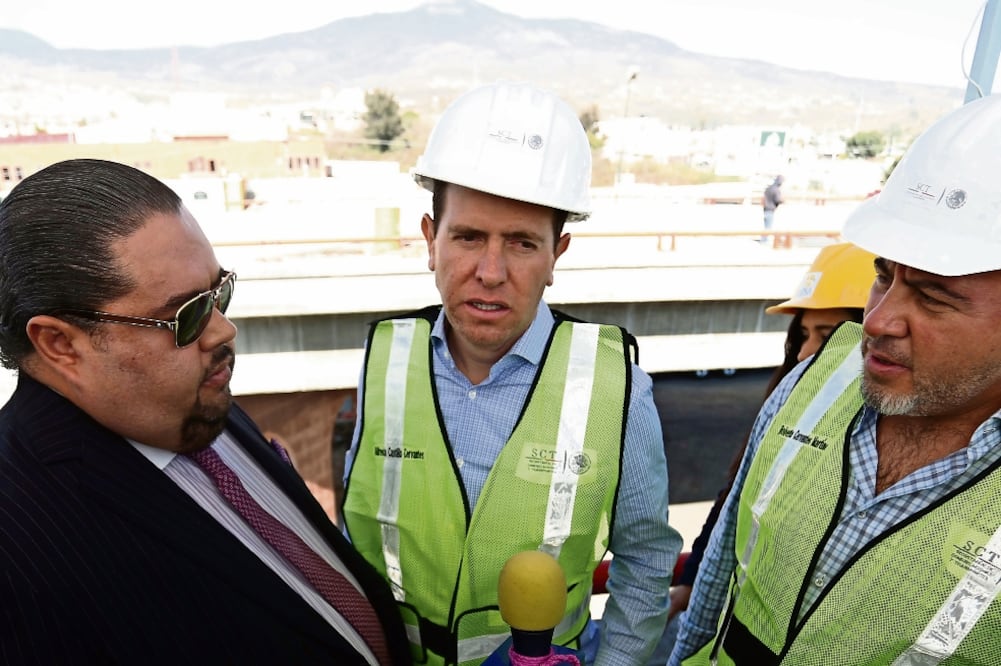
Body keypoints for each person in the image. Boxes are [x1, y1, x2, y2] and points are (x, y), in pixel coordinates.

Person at [0, 159, 411, 665]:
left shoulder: (192, 398)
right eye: (187, 315)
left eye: (219, 293)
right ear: (60, 344)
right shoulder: (20, 547)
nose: (221, 331)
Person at [342, 81, 683, 666]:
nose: (490, 271)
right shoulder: (385, 363)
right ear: (431, 240)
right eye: (468, 237)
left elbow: (647, 558)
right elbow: (357, 544)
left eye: (522, 243)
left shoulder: (616, 387)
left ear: (558, 255)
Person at [669, 94, 1001, 665]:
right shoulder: (817, 382)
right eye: (883, 276)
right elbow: (719, 573)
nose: (877, 319)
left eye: (933, 296)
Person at [653, 242, 875, 660]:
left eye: (829, 338)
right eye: (804, 335)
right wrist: (695, 576)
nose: (808, 353)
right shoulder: (795, 406)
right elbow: (735, 501)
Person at [761, 175, 784, 242]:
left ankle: (764, 239)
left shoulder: (768, 188)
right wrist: (783, 200)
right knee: (768, 227)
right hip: (770, 209)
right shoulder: (776, 190)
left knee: (766, 226)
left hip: (765, 208)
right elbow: (778, 200)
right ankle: (764, 241)